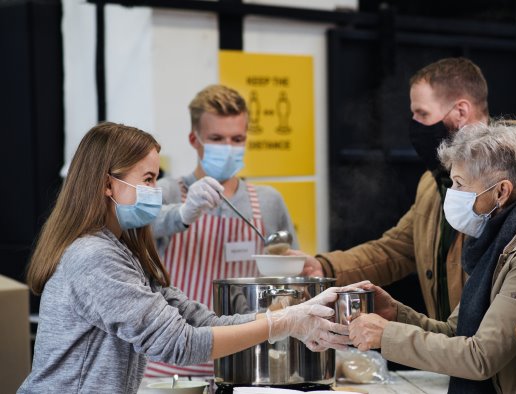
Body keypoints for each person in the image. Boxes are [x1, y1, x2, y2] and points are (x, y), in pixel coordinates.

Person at [19, 123, 354, 393]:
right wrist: (281, 323)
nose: (154, 190)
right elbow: (178, 343)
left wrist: (292, 316)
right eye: (147, 179)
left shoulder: (123, 252)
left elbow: (201, 321)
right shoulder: (94, 256)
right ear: (108, 185)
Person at [298, 57, 516, 320]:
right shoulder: (433, 180)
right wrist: (324, 267)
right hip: (456, 355)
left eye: (422, 114)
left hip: (510, 360)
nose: (415, 125)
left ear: (460, 111)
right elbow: (399, 249)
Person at [347, 123, 516, 393]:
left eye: (460, 184)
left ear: (501, 192)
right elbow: (457, 333)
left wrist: (387, 335)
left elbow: (481, 357)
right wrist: (396, 315)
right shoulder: (497, 245)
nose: (452, 194)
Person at [148, 85, 298, 376]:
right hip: (171, 365)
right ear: (195, 139)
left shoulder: (268, 202)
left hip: (245, 362)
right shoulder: (165, 193)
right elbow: (129, 234)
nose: (228, 148)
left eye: (237, 139)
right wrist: (182, 213)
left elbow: (287, 280)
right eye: (217, 139)